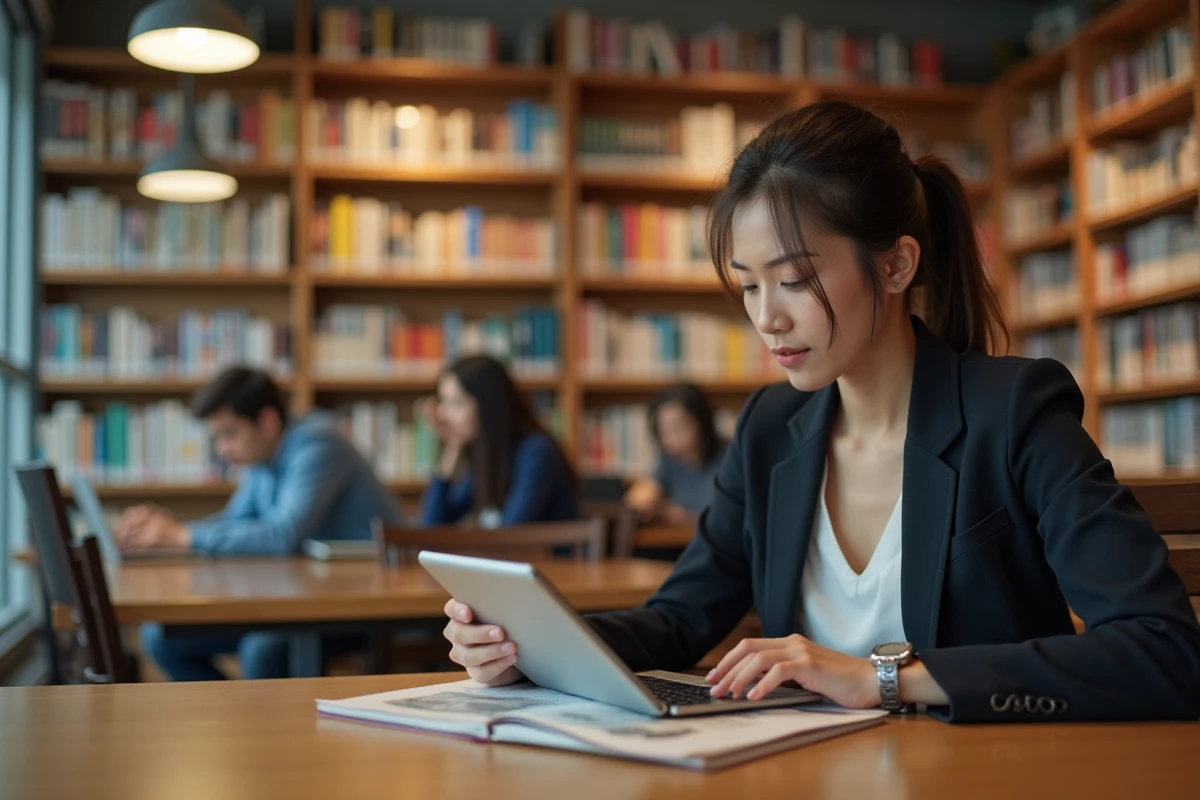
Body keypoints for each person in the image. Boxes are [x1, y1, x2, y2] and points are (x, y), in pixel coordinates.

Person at [438, 101, 1200, 722]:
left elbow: (1166, 649)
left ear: (896, 264)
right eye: (748, 285)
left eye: (795, 280)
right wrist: (529, 647)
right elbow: (679, 619)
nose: (766, 318)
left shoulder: (1014, 412)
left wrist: (884, 678)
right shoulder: (770, 430)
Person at [116, 366, 402, 680]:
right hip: (302, 598)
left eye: (229, 434)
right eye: (217, 437)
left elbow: (282, 534)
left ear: (267, 421)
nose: (222, 449)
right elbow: (234, 521)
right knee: (161, 638)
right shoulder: (262, 457)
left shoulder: (318, 445)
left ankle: (262, 713)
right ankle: (235, 714)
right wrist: (161, 532)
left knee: (262, 650)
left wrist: (181, 536)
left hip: (360, 603)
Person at [420, 355, 578, 527]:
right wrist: (453, 445)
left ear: (488, 407)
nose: (443, 414)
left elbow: (509, 534)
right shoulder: (488, 456)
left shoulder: (537, 453)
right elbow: (433, 527)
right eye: (443, 401)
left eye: (456, 403)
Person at [625, 383, 726, 523]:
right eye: (663, 431)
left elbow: (732, 515)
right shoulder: (670, 460)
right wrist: (651, 507)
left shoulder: (729, 457)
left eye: (678, 428)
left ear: (701, 423)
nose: (670, 439)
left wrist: (686, 517)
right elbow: (638, 499)